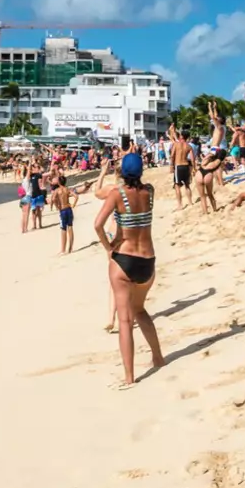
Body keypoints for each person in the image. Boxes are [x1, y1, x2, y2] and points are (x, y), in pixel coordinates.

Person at [93, 155, 161, 388]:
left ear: (122, 172)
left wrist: (108, 248)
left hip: (124, 259)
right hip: (147, 261)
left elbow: (97, 224)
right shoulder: (149, 192)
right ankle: (158, 357)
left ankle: (129, 377)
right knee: (140, 310)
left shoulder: (117, 194)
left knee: (124, 321)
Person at [51, 173, 77, 253]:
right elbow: (76, 196)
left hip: (62, 210)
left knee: (63, 229)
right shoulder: (67, 189)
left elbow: (53, 199)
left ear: (59, 182)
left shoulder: (57, 190)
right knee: (70, 227)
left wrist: (57, 206)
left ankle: (63, 249)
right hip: (69, 209)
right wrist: (73, 204)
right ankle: (70, 248)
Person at [169, 127, 192, 208]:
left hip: (178, 166)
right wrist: (193, 169)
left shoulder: (176, 144)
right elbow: (192, 159)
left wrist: (171, 166)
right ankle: (190, 202)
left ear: (181, 136)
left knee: (177, 185)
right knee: (187, 185)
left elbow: (172, 156)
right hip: (186, 165)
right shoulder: (189, 146)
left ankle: (180, 205)